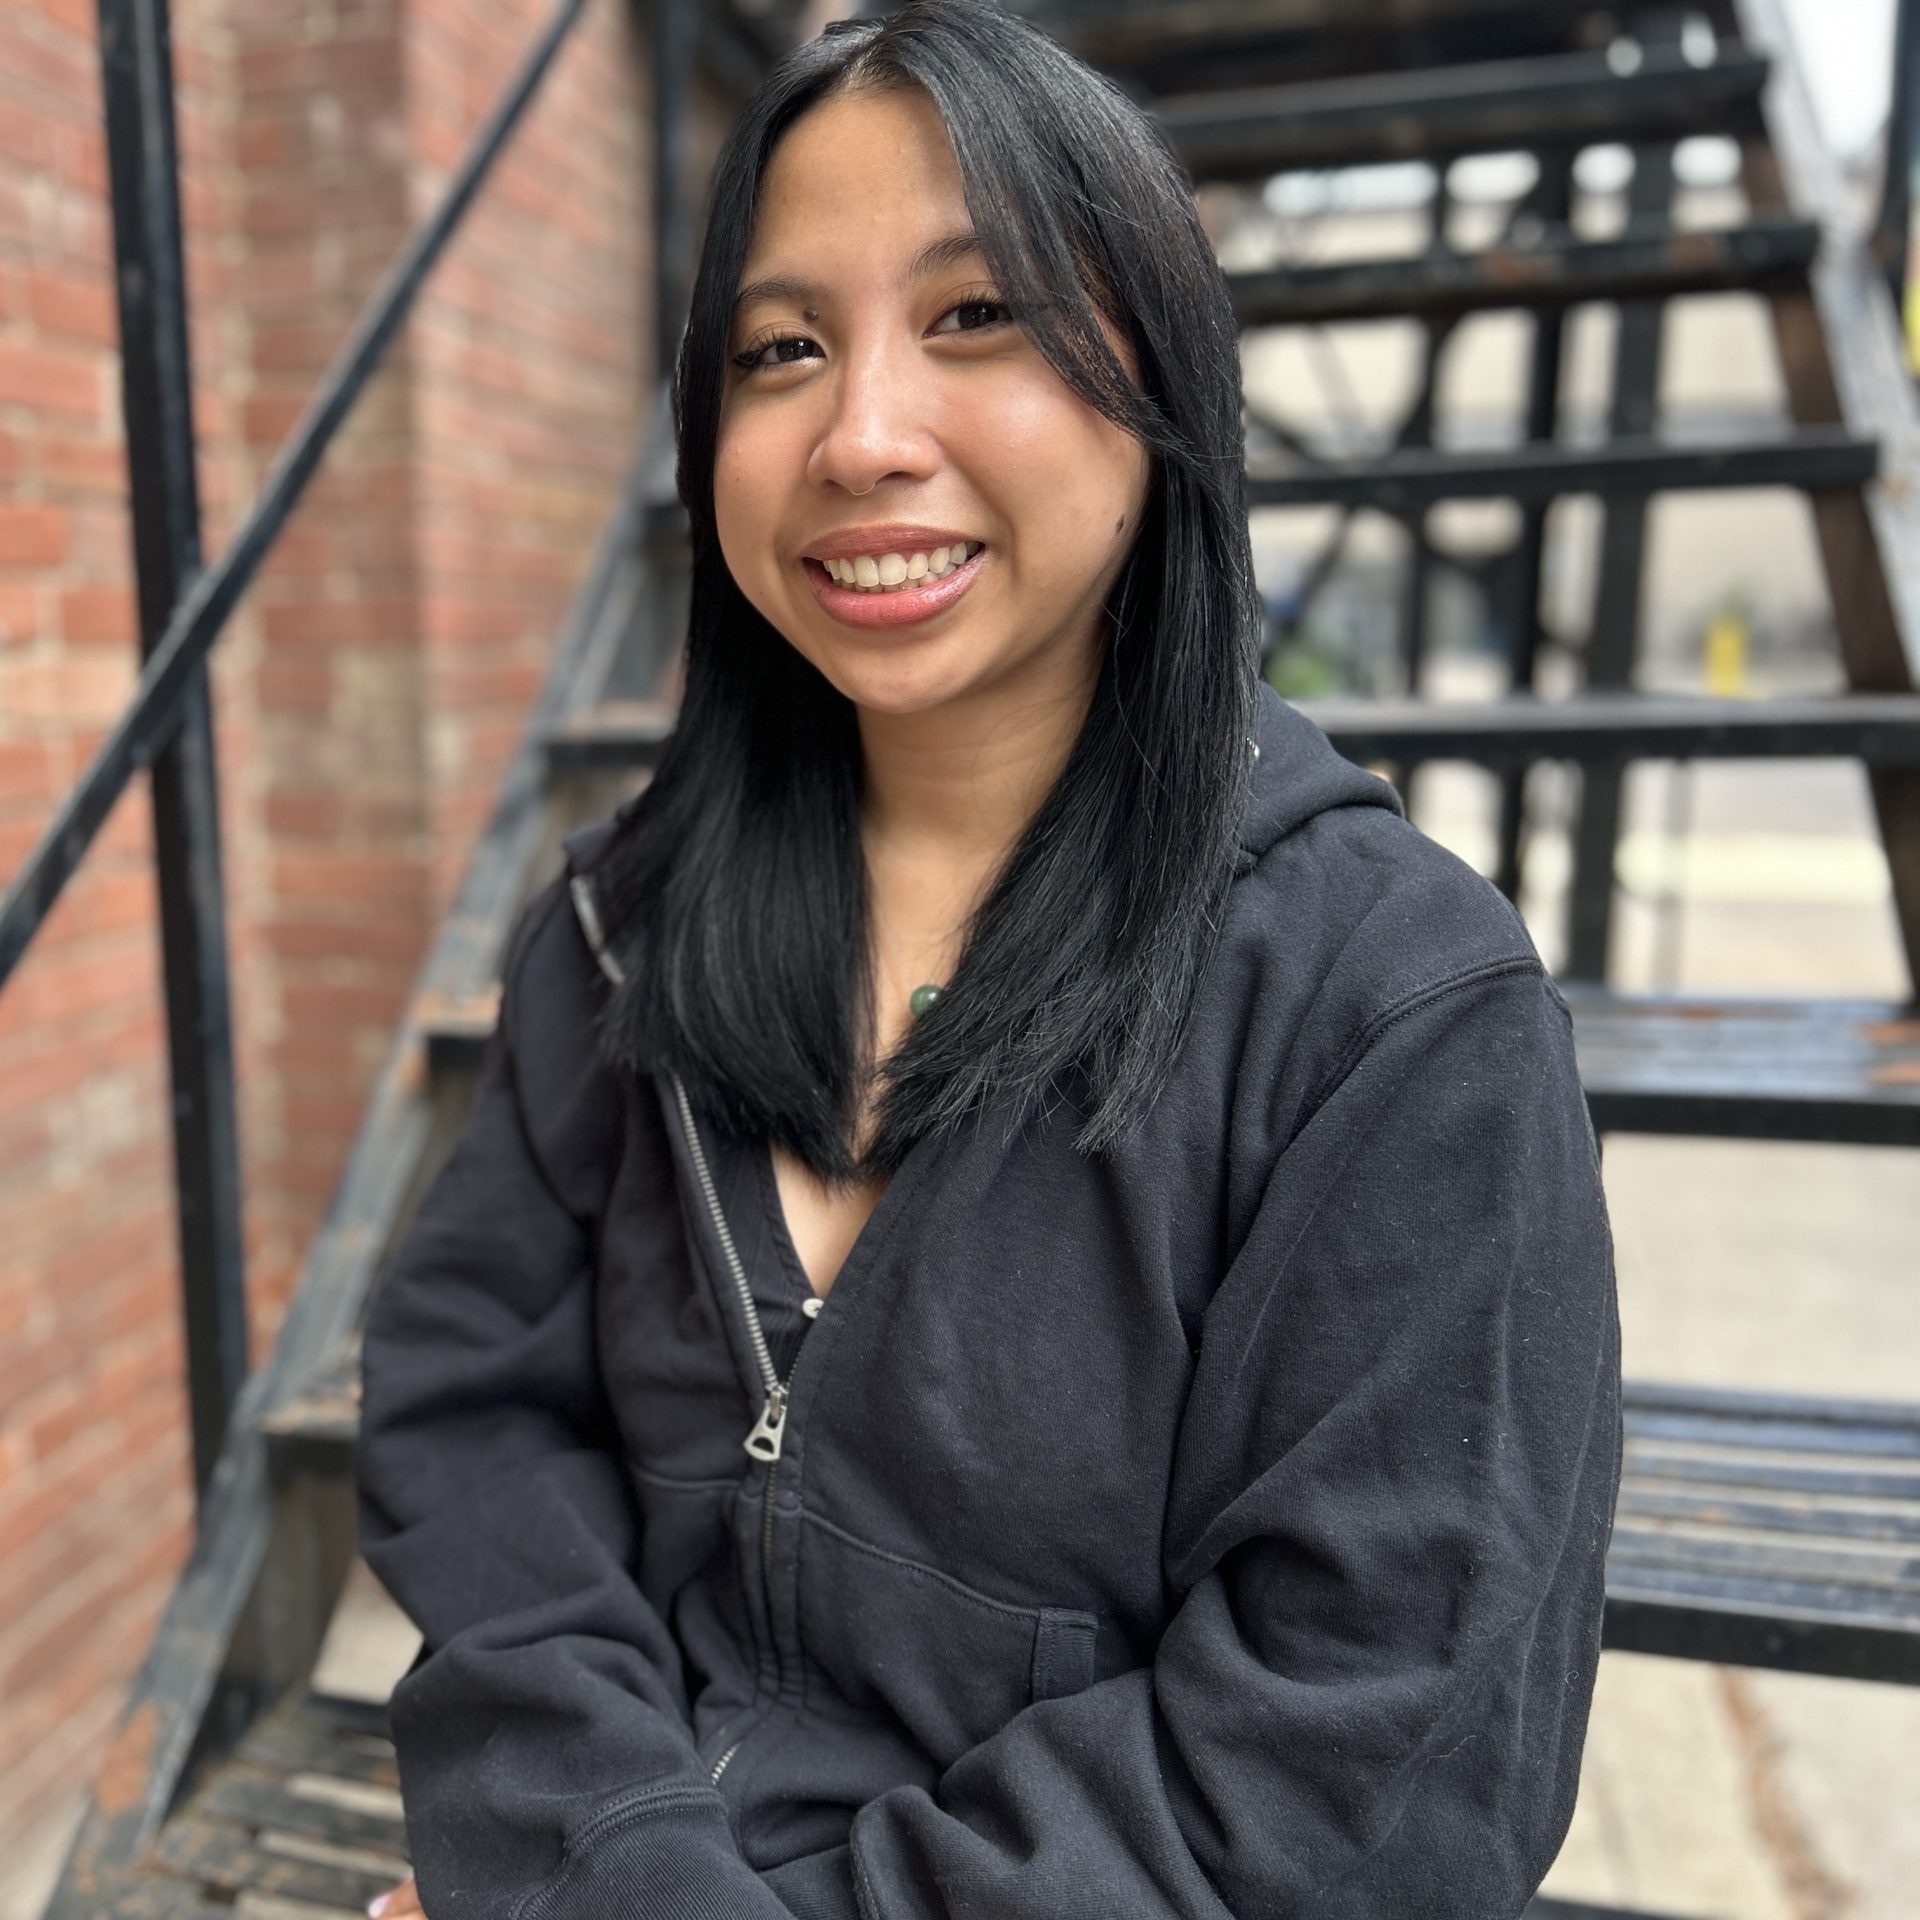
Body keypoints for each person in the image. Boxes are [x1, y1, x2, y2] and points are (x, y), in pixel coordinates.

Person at [356, 3, 1622, 1916]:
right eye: (781, 349)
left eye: (979, 316)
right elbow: (476, 1423)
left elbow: (1369, 1771)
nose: (860, 435)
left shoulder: (1394, 1017)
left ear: (1160, 382)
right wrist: (602, 1861)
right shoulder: (624, 931)